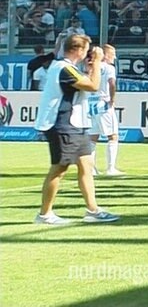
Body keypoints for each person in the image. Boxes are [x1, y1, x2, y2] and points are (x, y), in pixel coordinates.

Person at [33, 34, 119, 225]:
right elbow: (93, 86)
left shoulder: (68, 68)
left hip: (76, 124)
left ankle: (92, 210)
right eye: (86, 51)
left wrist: (91, 68)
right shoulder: (63, 68)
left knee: (86, 166)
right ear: (78, 50)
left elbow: (85, 84)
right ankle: (44, 214)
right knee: (59, 168)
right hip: (62, 124)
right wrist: (97, 63)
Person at [88, 44, 122, 177]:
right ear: (106, 55)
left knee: (92, 137)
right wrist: (112, 99)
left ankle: (91, 168)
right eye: (113, 54)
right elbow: (112, 83)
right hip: (103, 102)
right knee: (113, 135)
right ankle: (111, 168)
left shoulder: (92, 67)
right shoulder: (109, 68)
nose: (114, 57)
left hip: (91, 103)